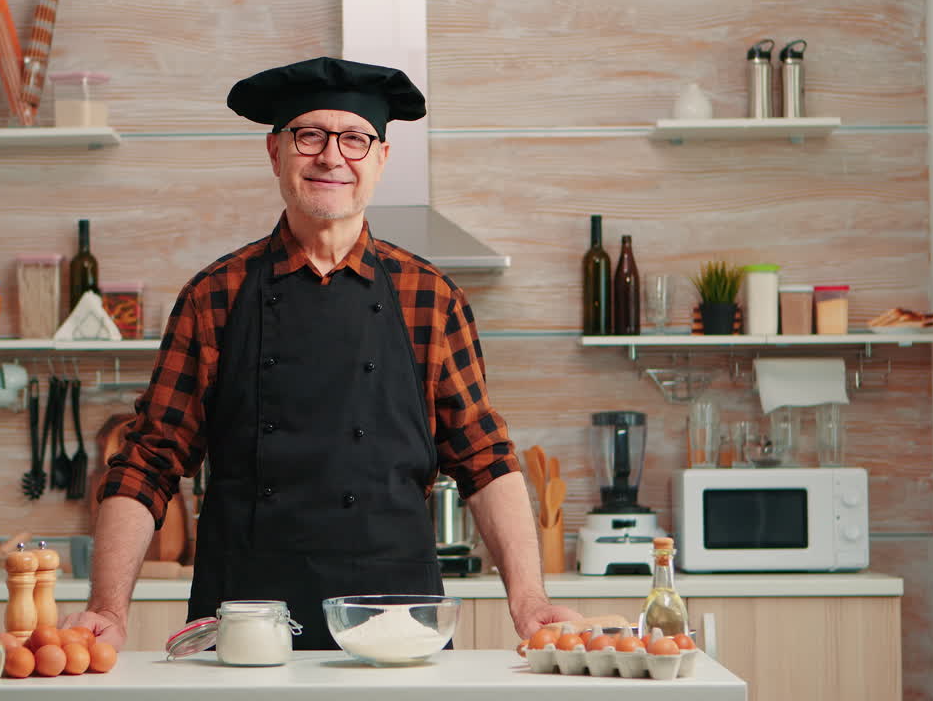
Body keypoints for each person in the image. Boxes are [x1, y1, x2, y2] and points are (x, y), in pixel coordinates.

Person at [63, 57, 581, 649]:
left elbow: (485, 461)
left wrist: (530, 599)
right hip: (247, 619)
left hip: (398, 621)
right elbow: (147, 462)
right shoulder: (215, 295)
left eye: (356, 139)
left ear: (381, 158)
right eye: (309, 135)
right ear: (275, 152)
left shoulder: (431, 298)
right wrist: (107, 607)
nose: (332, 157)